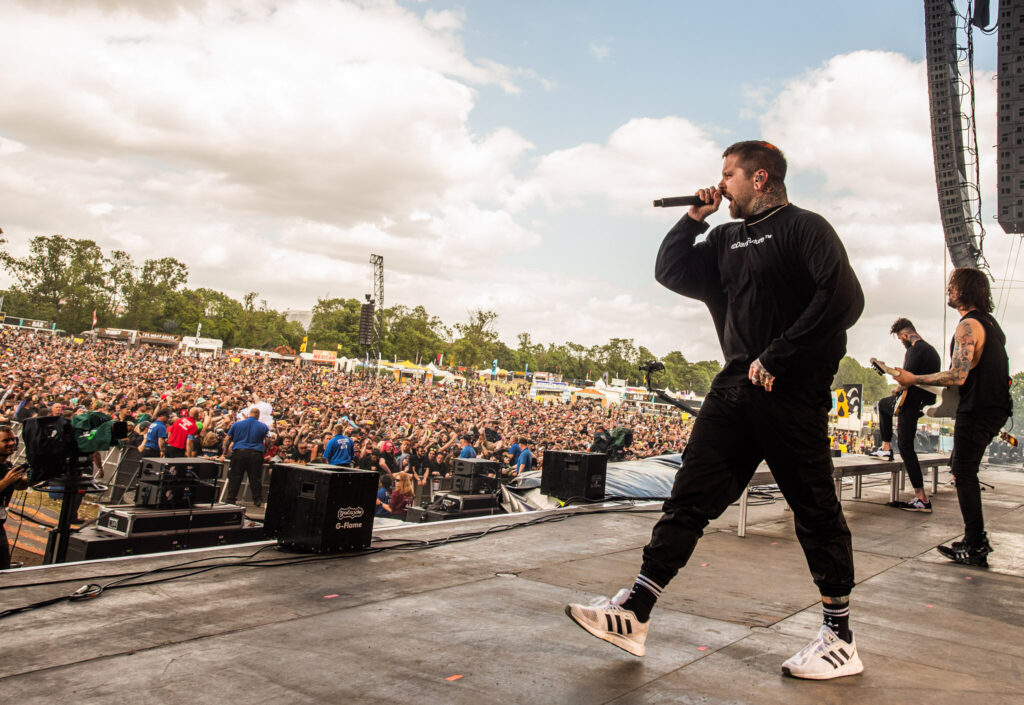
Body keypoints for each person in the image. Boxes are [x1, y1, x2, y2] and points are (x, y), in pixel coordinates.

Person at [566, 141, 865, 679]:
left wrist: (780, 353)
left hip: (792, 395)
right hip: (732, 392)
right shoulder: (725, 238)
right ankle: (636, 610)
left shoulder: (805, 228)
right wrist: (692, 218)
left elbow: (844, 299)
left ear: (759, 177)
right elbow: (671, 270)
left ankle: (839, 638)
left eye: (728, 175)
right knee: (688, 500)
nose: (719, 182)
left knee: (815, 512)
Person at [892, 268, 1012, 567]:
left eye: (952, 286)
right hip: (994, 406)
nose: (948, 289)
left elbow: (958, 375)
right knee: (961, 468)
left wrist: (913, 378)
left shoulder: (968, 325)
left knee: (963, 471)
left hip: (980, 408)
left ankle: (975, 542)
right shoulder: (990, 324)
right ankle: (975, 538)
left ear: (965, 289)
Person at [871, 318, 941, 511]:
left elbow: (906, 378)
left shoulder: (914, 350)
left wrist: (897, 388)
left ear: (904, 335)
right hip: (922, 400)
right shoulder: (931, 351)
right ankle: (885, 448)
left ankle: (921, 497)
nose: (902, 342)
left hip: (911, 401)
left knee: (905, 446)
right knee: (885, 407)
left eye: (900, 339)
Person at [222, 407, 269, 507]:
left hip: (239, 452)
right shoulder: (263, 426)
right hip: (255, 453)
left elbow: (227, 438)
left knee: (235, 476)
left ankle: (230, 499)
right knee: (255, 478)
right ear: (258, 415)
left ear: (249, 414)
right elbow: (268, 440)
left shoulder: (237, 424)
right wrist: (265, 451)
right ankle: (257, 500)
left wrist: (225, 450)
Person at [0, 426, 29, 570]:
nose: (11, 443)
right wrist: (6, 481)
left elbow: (20, 486)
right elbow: (7, 482)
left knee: (4, 567)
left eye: (13, 439)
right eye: (6, 440)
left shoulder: (7, 466)